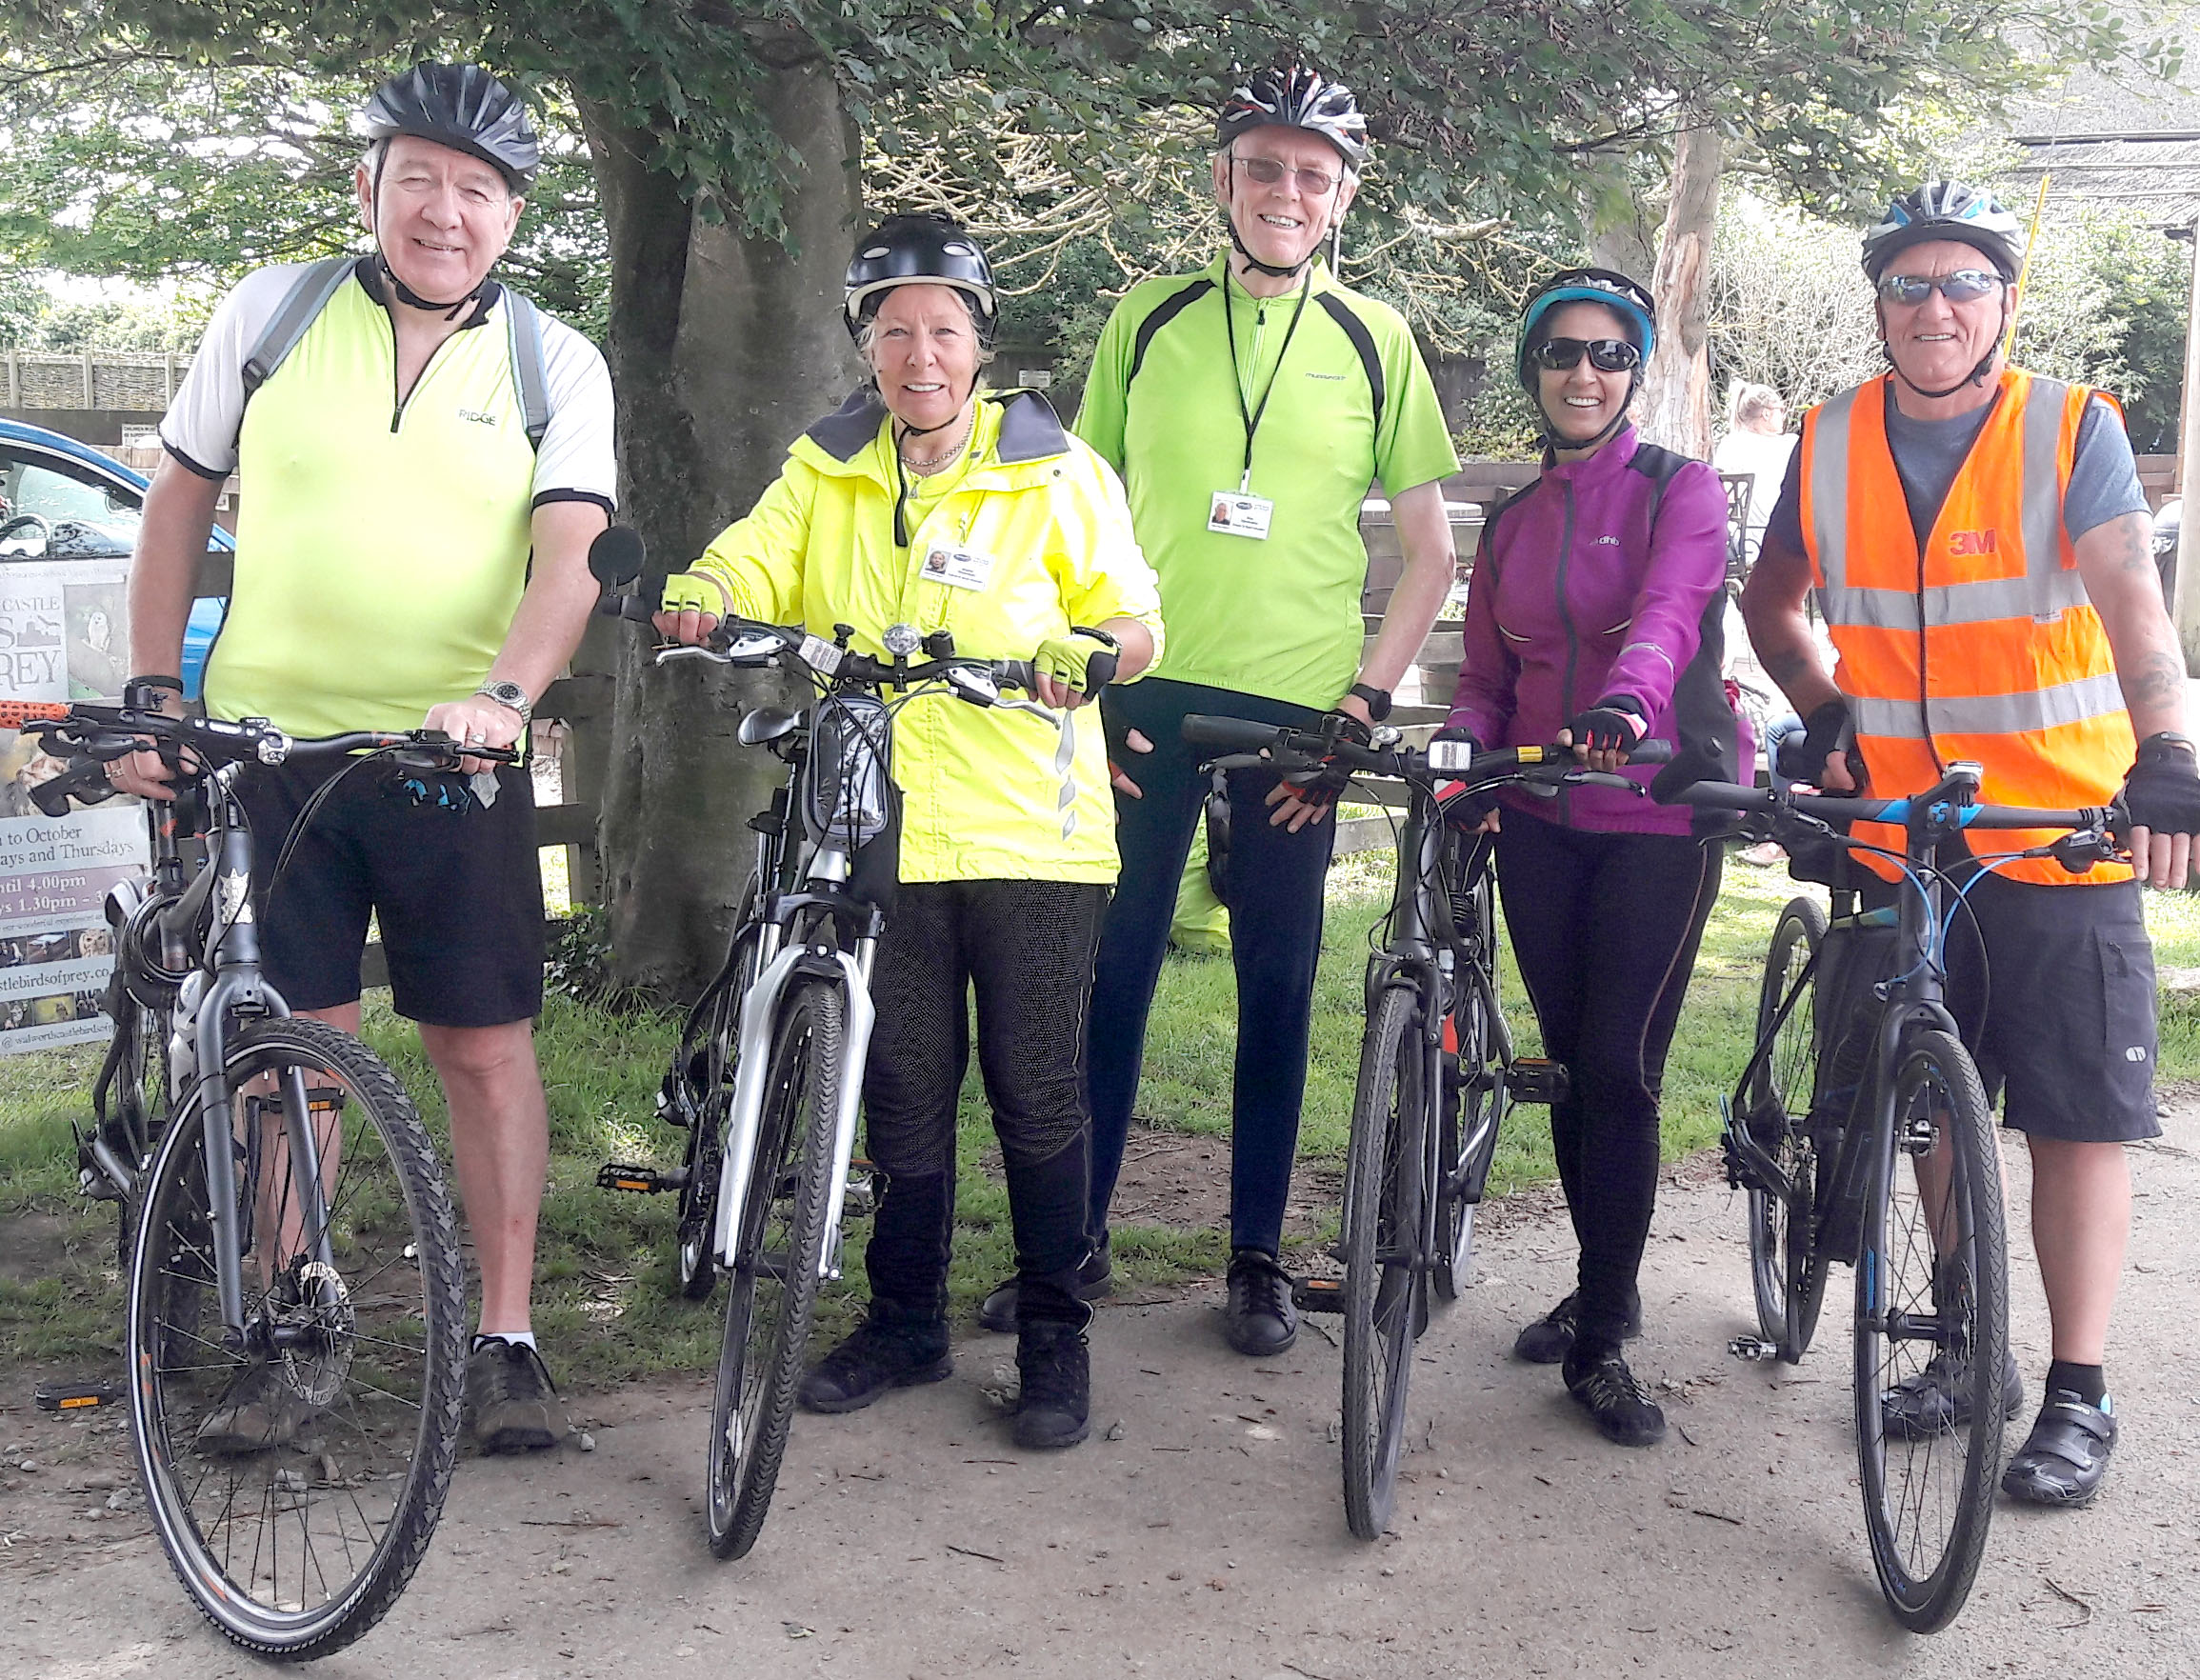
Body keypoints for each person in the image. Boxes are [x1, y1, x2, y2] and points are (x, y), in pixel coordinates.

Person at [117, 63, 617, 1453]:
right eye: (418, 180)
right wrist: (157, 688)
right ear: (369, 188)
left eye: (475, 190)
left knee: (481, 1043)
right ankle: (298, 1328)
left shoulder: (550, 361)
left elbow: (570, 555)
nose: (443, 212)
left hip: (446, 756)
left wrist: (505, 697)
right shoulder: (272, 314)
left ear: (511, 214)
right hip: (270, 751)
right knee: (299, 1053)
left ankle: (506, 1337)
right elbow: (175, 499)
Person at [655, 214, 1163, 1450]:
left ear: (978, 344)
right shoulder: (825, 468)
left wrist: (1089, 655)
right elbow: (753, 559)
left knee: (1036, 1096)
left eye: (941, 329)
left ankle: (1052, 1338)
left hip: (1030, 841)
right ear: (866, 346)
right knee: (899, 1090)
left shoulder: (1054, 471)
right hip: (877, 830)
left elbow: (1137, 621)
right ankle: (904, 1323)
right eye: (893, 331)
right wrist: (702, 594)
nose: (917, 354)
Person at [987, 64, 1461, 1356]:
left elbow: (1429, 556)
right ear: (1224, 179)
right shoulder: (1147, 317)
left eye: (1312, 173)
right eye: (1264, 167)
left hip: (1296, 713)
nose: (1285, 192)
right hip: (1144, 698)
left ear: (1344, 195)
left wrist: (1363, 703)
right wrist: (1082, 689)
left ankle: (1253, 1257)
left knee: (1278, 978)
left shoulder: (1375, 338)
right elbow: (1071, 522)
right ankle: (1067, 1248)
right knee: (1108, 975)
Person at [1741, 180, 2200, 1506]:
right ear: (1878, 305)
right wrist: (1822, 705)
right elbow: (1771, 603)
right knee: (1930, 1108)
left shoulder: (2071, 427)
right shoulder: (1826, 439)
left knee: (2071, 1123)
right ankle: (1959, 1339)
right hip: (1907, 841)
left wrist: (2164, 749)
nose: (1933, 308)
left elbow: (2127, 593)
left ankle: (2075, 1391)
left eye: (1960, 285)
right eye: (1907, 286)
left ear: (2000, 302)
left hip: (2059, 832)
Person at [1442, 269, 1748, 1447]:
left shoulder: (1683, 492)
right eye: (1564, 353)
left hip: (1656, 808)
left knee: (1619, 1067)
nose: (1586, 373)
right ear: (1535, 369)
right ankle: (1595, 1278)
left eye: (1611, 354)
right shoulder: (1512, 523)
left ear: (1638, 372)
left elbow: (1672, 613)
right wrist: (1468, 748)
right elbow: (1483, 676)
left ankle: (1606, 1334)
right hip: (1541, 821)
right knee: (1571, 1067)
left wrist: (1624, 703)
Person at [1711, 382, 1796, 561]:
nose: (1784, 415)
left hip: (1741, 541)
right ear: (1766, 413)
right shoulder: (1790, 445)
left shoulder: (1731, 444)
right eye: (1781, 409)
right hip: (1784, 541)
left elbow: (1723, 496)